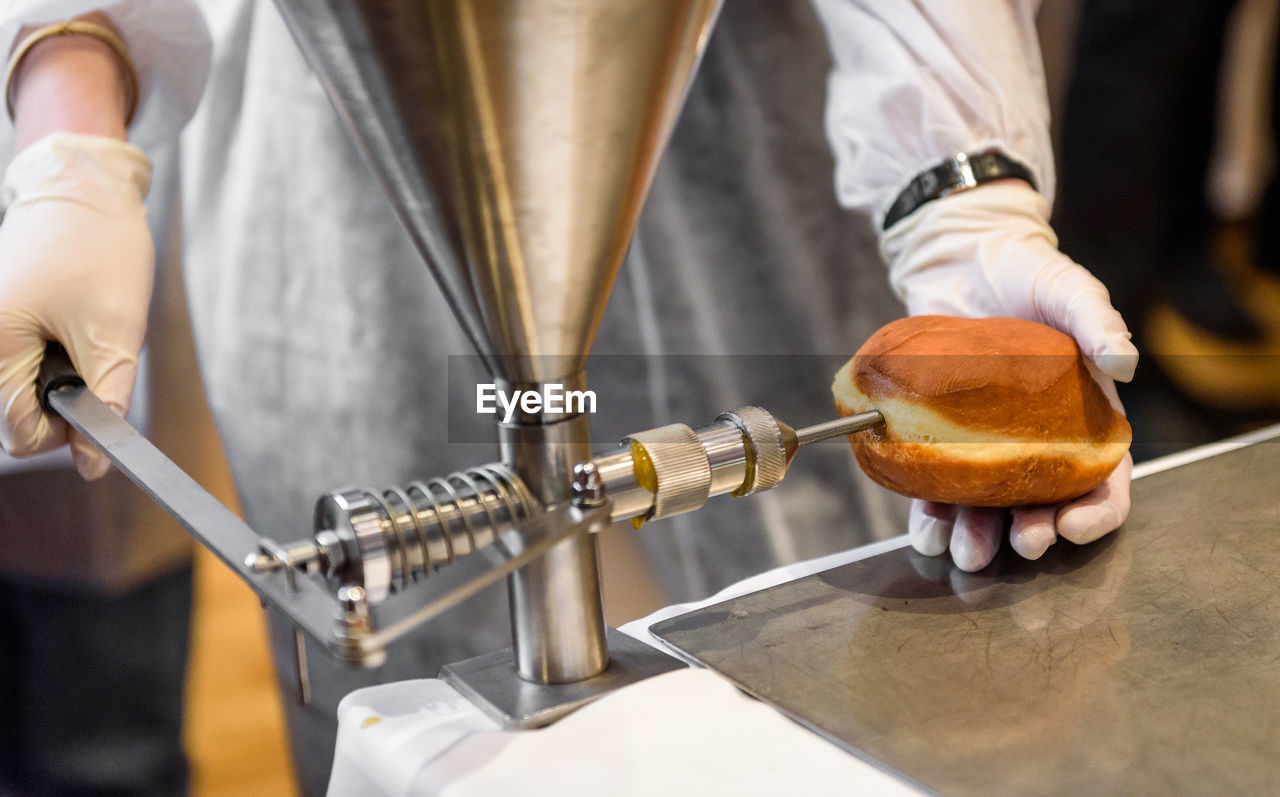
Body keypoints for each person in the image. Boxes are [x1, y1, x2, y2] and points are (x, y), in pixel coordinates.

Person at [0, 0, 1139, 793]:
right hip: (370, 124)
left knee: (836, 682)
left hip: (735, 121)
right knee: (427, 725)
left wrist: (953, 185)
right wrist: (72, 143)